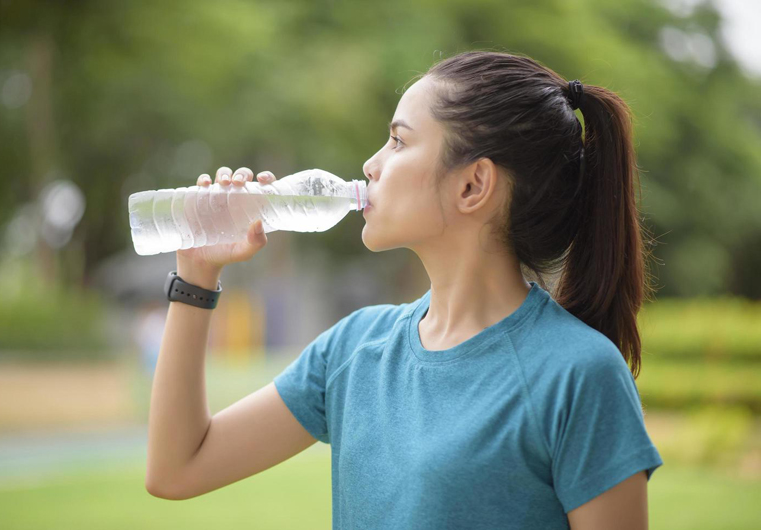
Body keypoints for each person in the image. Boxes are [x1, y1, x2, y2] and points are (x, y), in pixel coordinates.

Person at [145, 50, 663, 529]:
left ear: (473, 185)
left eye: (398, 141)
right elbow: (177, 469)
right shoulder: (353, 349)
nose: (371, 165)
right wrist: (196, 275)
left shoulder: (579, 375)